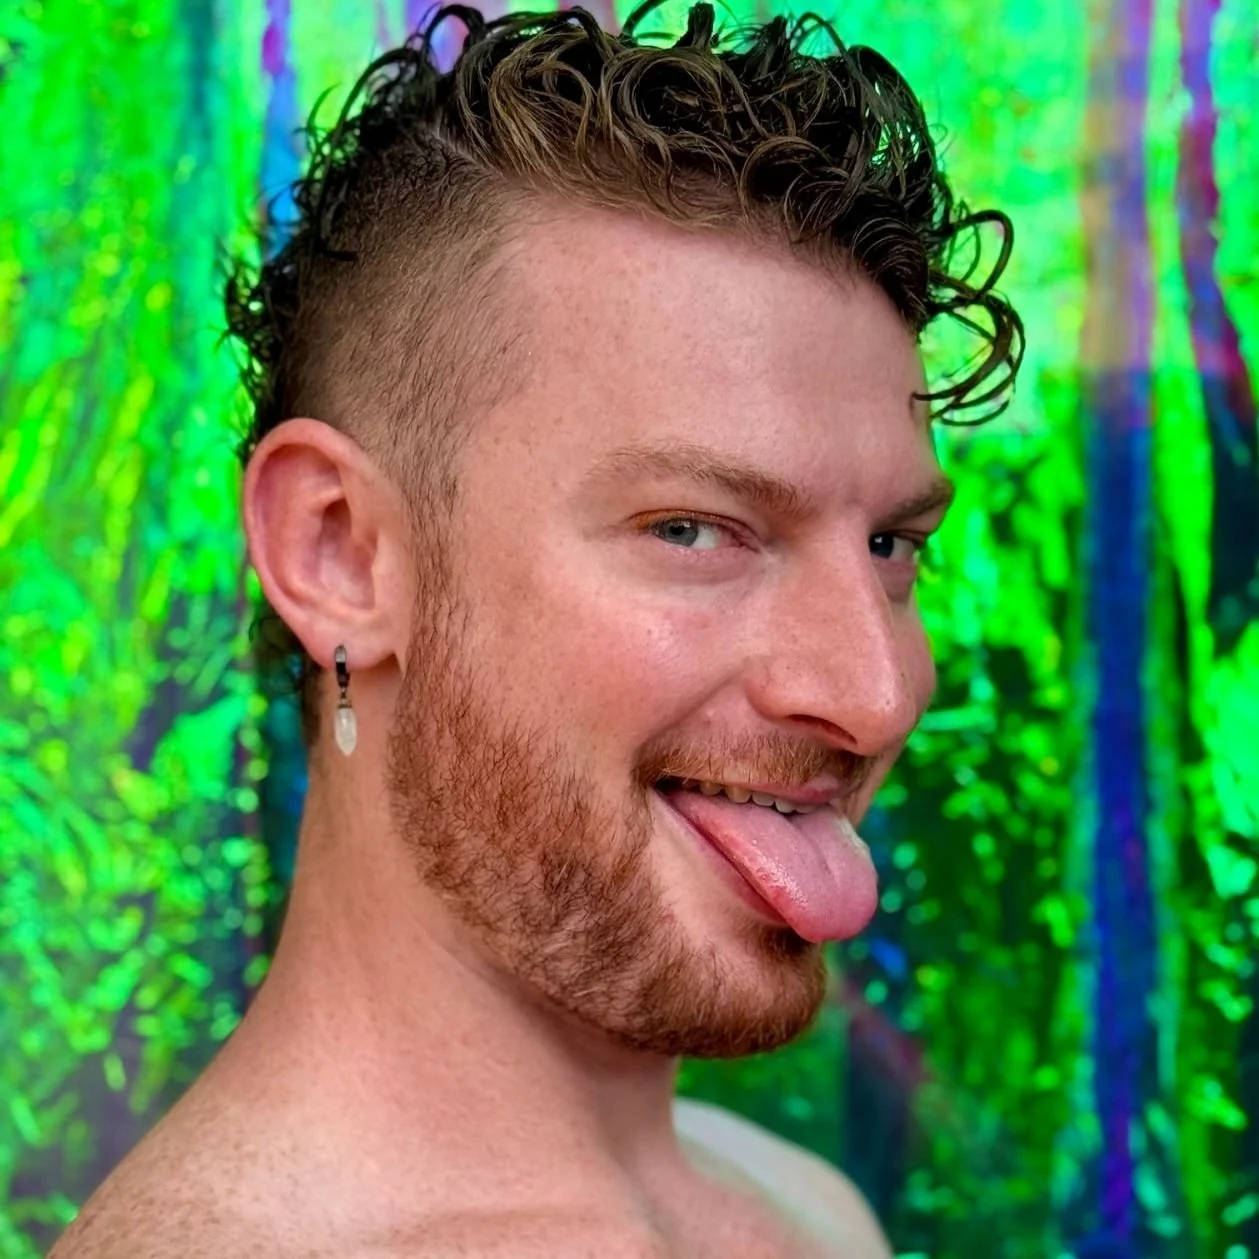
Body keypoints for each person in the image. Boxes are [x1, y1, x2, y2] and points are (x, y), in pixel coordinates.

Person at [51, 3, 1022, 1256]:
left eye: (890, 546)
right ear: (338, 551)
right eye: (692, 529)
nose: (876, 690)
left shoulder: (803, 1211)